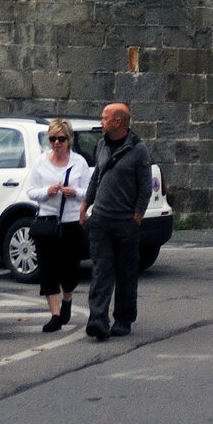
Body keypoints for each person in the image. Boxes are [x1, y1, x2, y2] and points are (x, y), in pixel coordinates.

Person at [83, 100, 152, 340]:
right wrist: (85, 206)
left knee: (125, 273)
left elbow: (145, 186)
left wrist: (137, 216)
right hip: (101, 219)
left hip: (125, 222)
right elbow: (96, 177)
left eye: (104, 118)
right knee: (102, 270)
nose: (101, 122)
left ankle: (123, 319)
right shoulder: (102, 144)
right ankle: (98, 319)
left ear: (118, 121)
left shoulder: (138, 149)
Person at [27, 117, 91, 331]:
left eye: (61, 139)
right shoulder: (41, 162)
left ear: (69, 140)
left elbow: (90, 192)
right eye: (53, 138)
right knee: (48, 269)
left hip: (72, 222)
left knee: (70, 270)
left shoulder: (79, 162)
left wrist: (74, 193)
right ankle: (55, 315)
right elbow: (31, 191)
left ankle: (67, 301)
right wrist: (47, 191)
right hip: (47, 222)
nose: (56, 143)